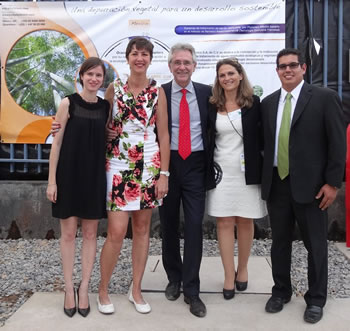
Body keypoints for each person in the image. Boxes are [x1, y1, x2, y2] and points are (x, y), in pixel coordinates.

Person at [261, 48, 346, 323]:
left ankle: (316, 299)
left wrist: (333, 184)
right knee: (280, 243)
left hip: (312, 188)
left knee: (316, 245)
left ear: (304, 68)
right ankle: (281, 291)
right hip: (278, 184)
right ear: (277, 71)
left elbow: (337, 144)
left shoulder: (324, 98)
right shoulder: (269, 103)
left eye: (293, 65)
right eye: (282, 66)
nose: (288, 70)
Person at [97, 37, 170, 315]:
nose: (139, 58)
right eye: (135, 53)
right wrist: (106, 132)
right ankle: (103, 289)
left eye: (144, 54)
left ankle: (135, 289)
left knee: (142, 230)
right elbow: (101, 125)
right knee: (116, 232)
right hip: (118, 165)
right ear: (127, 57)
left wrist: (164, 174)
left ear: (151, 59)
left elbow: (163, 134)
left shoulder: (158, 91)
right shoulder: (114, 89)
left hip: (149, 166)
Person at [47, 57, 110, 318]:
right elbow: (57, 143)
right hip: (69, 176)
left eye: (99, 75)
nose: (94, 79)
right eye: (90, 74)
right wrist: (52, 181)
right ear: (81, 76)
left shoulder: (106, 106)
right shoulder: (67, 103)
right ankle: (68, 288)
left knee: (91, 235)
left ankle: (84, 288)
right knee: (69, 235)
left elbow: (106, 135)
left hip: (94, 177)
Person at [207, 58, 267, 300]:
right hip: (221, 172)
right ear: (218, 79)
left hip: (248, 171)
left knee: (245, 221)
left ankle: (243, 269)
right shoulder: (212, 105)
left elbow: (264, 138)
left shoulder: (254, 104)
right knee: (223, 222)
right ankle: (228, 275)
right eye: (222, 75)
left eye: (231, 73)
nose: (227, 78)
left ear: (240, 75)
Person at [159, 43, 211, 318]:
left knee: (193, 226)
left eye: (186, 62)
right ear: (170, 66)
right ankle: (174, 278)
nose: (182, 67)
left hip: (196, 164)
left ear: (194, 66)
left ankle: (192, 290)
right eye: (177, 62)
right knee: (168, 224)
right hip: (167, 164)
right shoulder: (160, 93)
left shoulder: (207, 93)